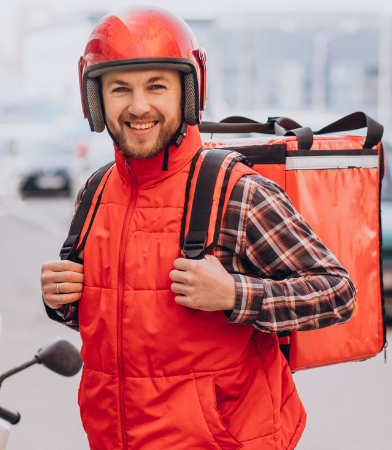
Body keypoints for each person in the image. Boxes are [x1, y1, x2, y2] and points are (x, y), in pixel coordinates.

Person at [39, 7, 356, 450]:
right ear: (96, 99)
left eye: (156, 86)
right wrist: (64, 301)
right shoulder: (95, 191)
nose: (138, 106)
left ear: (189, 91)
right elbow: (125, 326)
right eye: (119, 88)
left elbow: (338, 293)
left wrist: (233, 295)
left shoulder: (237, 192)